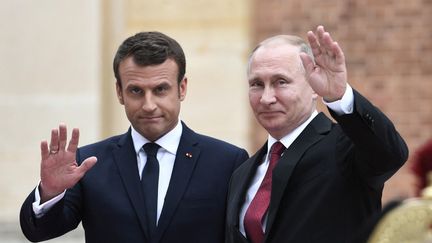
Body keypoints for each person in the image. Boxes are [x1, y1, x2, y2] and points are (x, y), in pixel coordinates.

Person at [20, 31, 249, 243]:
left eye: (160, 89)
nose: (149, 106)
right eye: (136, 91)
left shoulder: (227, 162)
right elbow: (39, 231)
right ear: (120, 92)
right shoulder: (89, 162)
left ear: (182, 88)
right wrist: (50, 192)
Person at [225, 25, 409, 243]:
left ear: (313, 86)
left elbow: (390, 154)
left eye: (280, 82)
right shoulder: (242, 173)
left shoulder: (346, 147)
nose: (266, 98)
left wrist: (340, 95)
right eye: (257, 84)